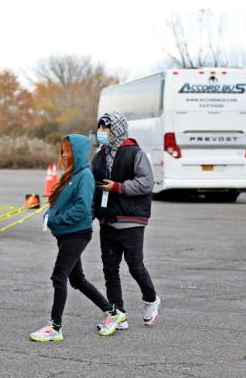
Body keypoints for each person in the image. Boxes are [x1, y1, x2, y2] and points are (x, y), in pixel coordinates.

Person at [29, 134, 126, 342]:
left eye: (68, 150)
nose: (64, 155)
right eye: (62, 150)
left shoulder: (84, 176)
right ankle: (113, 312)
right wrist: (51, 215)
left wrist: (59, 219)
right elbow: (61, 203)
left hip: (76, 234)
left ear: (79, 153)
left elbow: (82, 208)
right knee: (77, 279)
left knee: (58, 276)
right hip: (66, 234)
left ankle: (55, 327)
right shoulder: (69, 175)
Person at [92, 111, 160, 328]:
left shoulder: (134, 152)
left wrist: (118, 187)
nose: (102, 132)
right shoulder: (99, 156)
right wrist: (89, 216)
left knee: (135, 266)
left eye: (106, 128)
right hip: (107, 221)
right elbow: (94, 190)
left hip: (131, 220)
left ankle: (151, 299)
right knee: (110, 269)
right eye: (100, 128)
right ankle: (117, 313)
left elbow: (146, 183)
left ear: (118, 128)